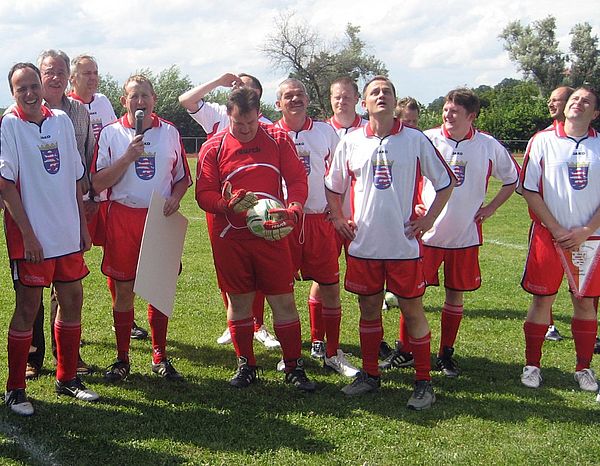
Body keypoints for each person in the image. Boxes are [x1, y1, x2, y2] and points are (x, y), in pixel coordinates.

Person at [325, 76, 455, 409]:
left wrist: (428, 221)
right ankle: (370, 374)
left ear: (394, 101)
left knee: (412, 310)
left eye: (387, 92)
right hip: (364, 245)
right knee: (368, 310)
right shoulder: (351, 141)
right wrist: (339, 219)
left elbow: (445, 183)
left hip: (403, 246)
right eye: (374, 92)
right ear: (364, 103)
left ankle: (424, 382)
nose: (381, 96)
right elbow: (332, 185)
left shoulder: (414, 139)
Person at [196, 86, 316, 391]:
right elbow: (204, 194)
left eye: (251, 123)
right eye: (239, 124)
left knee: (283, 301)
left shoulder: (277, 138)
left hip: (271, 235)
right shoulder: (214, 147)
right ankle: (246, 365)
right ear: (229, 116)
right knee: (239, 302)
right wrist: (227, 204)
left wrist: (295, 207)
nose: (246, 130)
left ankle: (293, 367)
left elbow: (297, 180)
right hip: (230, 238)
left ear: (258, 114)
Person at [1, 62, 99, 416]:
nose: (28, 93)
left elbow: (76, 177)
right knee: (28, 308)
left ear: (42, 86)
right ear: (13, 93)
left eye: (32, 86)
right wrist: (27, 234)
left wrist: (83, 228)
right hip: (31, 239)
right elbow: (6, 186)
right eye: (20, 88)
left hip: (66, 233)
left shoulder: (60, 120)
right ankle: (15, 389)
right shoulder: (10, 124)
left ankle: (67, 377)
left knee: (73, 300)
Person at [92, 74, 191, 382]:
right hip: (123, 216)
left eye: (144, 95)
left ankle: (159, 355)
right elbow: (98, 182)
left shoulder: (170, 132)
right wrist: (127, 158)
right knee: (123, 290)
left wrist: (175, 197)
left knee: (158, 291)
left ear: (154, 100)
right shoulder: (111, 133)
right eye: (133, 96)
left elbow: (182, 177)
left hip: (159, 218)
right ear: (124, 101)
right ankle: (122, 359)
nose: (139, 102)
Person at [420, 88, 519, 377]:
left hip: (465, 236)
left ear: (471, 116)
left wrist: (491, 209)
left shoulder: (488, 145)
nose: (447, 115)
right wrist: (414, 205)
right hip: (427, 233)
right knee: (412, 295)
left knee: (455, 296)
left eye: (455, 111)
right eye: (446, 109)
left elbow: (512, 180)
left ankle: (446, 353)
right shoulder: (427, 138)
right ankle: (408, 349)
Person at [179, 72, 279, 349]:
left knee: (258, 266)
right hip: (221, 205)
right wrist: (217, 81)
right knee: (229, 269)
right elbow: (186, 99)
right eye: (237, 85)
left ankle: (258, 324)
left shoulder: (266, 125)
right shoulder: (217, 113)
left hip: (258, 204)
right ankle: (234, 321)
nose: (241, 90)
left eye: (249, 88)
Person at [274, 78, 359, 377]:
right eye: (288, 96)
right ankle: (291, 354)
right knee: (282, 292)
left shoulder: (326, 132)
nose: (295, 99)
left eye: (299, 95)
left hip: (319, 221)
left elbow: (341, 177)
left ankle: (333, 352)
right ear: (278, 104)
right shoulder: (271, 134)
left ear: (308, 99)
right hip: (284, 223)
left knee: (330, 288)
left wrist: (336, 212)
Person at [519, 86, 600, 393]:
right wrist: (555, 228)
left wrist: (585, 230)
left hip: (590, 238)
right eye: (575, 98)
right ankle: (532, 365)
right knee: (542, 299)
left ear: (595, 113)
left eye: (586, 101)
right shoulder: (542, 140)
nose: (578, 103)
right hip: (548, 235)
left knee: (584, 301)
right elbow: (528, 188)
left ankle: (583, 368)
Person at [68, 53, 148, 341]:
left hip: (104, 193)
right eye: (86, 73)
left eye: (95, 72)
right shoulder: (65, 106)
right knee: (73, 256)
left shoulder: (102, 102)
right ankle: (67, 320)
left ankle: (123, 317)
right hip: (79, 192)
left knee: (114, 257)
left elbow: (115, 140)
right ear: (72, 78)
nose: (92, 77)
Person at [26, 49, 95, 379]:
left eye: (60, 71)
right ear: (39, 75)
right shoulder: (23, 115)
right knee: (32, 288)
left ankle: (67, 355)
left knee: (67, 289)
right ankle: (32, 356)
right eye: (48, 71)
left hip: (69, 212)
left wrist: (89, 197)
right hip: (35, 215)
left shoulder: (80, 112)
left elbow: (86, 157)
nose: (54, 77)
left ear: (69, 77)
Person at [542, 86, 575, 342]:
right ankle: (548, 325)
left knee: (585, 287)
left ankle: (589, 333)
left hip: (584, 228)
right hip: (547, 229)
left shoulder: (592, 142)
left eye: (557, 100)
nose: (552, 104)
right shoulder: (543, 138)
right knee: (546, 285)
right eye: (550, 100)